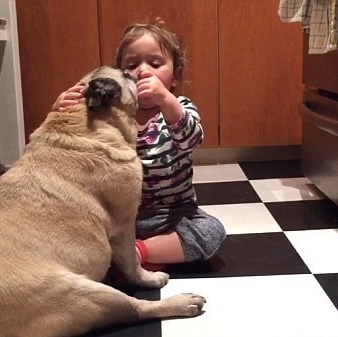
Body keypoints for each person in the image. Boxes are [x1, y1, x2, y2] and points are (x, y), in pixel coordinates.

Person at [52, 18, 226, 270]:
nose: (143, 71)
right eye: (131, 66)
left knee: (212, 231)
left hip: (170, 215)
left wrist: (167, 101)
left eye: (155, 64)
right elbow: (72, 149)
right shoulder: (108, 113)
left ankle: (136, 254)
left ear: (175, 77)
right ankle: (138, 257)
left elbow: (192, 139)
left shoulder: (180, 108)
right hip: (114, 217)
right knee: (61, 229)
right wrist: (61, 112)